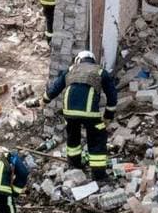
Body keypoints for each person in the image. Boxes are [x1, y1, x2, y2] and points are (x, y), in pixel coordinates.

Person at [46, 49, 118, 181]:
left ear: (78, 60)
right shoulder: (100, 71)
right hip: (89, 112)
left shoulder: (71, 69)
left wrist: (43, 100)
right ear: (93, 60)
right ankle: (99, 175)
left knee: (73, 137)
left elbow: (55, 88)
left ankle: (74, 165)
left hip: (69, 112)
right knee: (97, 139)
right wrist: (108, 116)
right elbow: (112, 95)